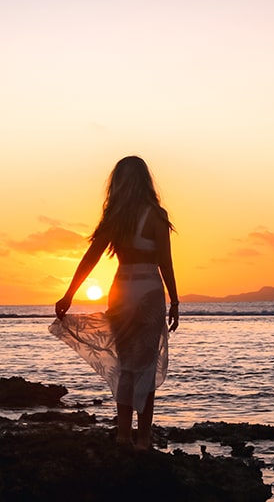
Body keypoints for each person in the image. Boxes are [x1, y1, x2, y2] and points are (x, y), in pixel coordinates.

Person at [50, 156, 179, 450]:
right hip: (148, 292)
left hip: (121, 291)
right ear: (145, 181)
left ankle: (123, 435)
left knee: (126, 366)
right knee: (144, 367)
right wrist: (175, 302)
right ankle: (143, 440)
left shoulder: (115, 218)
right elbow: (165, 263)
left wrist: (69, 294)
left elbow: (91, 258)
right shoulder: (157, 216)